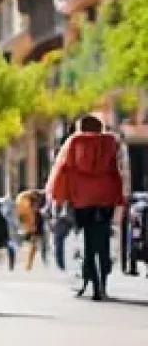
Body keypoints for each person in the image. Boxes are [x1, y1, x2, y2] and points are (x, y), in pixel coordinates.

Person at [46, 114, 126, 300]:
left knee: (86, 240)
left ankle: (89, 279)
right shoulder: (110, 142)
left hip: (80, 198)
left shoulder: (73, 142)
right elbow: (117, 170)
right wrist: (119, 197)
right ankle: (103, 281)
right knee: (103, 238)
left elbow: (63, 169)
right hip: (106, 198)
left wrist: (58, 196)